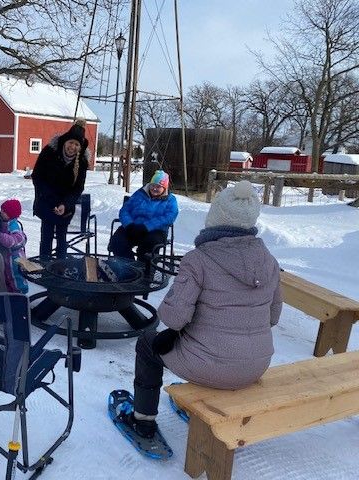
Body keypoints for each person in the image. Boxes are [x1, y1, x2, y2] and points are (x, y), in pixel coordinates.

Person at [119, 180, 282, 439]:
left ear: (215, 218)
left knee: (148, 345)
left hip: (211, 366)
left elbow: (174, 317)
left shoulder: (199, 260)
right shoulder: (269, 261)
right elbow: (273, 316)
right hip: (256, 365)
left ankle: (143, 420)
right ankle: (196, 399)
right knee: (200, 343)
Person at [32, 118, 90, 258]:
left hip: (65, 207)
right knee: (46, 236)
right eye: (71, 142)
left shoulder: (82, 162)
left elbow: (78, 188)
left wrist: (65, 204)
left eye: (76, 144)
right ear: (65, 141)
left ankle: (60, 269)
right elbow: (37, 177)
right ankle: (45, 268)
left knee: (62, 239)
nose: (73, 146)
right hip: (46, 201)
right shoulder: (49, 152)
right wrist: (52, 201)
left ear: (80, 147)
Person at [108, 170, 178, 264]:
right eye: (153, 185)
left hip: (155, 230)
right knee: (117, 242)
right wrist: (129, 224)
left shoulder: (170, 200)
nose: (154, 189)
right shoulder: (139, 194)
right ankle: (129, 267)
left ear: (164, 188)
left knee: (149, 246)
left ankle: (145, 272)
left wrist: (147, 226)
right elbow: (125, 210)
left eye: (158, 187)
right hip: (133, 226)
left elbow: (169, 217)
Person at [0, 199, 29, 294]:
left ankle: (20, 294)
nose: (1, 212)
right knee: (7, 276)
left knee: (16, 276)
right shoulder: (2, 222)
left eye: (4, 211)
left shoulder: (13, 225)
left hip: (15, 257)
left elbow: (13, 240)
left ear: (11, 215)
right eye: (1, 209)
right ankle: (10, 294)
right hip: (7, 256)